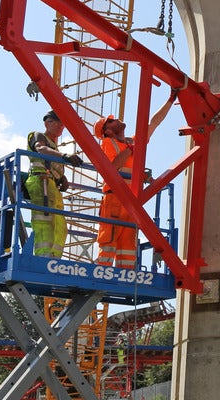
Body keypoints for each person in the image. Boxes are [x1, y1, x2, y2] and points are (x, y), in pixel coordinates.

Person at [94, 91, 177, 269]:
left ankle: (125, 279)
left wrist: (171, 98)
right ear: (107, 131)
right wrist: (131, 149)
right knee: (108, 242)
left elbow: (153, 123)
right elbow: (113, 167)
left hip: (131, 200)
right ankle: (101, 273)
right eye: (111, 120)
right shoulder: (107, 143)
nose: (116, 119)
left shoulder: (130, 142)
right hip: (115, 198)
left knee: (128, 247)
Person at [25, 109, 82, 259]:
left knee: (60, 226)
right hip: (40, 181)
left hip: (51, 186)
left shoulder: (54, 147)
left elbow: (52, 162)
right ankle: (43, 258)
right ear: (47, 122)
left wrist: (61, 177)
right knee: (45, 222)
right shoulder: (38, 136)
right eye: (56, 122)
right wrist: (65, 156)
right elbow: (41, 150)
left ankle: (54, 258)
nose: (60, 126)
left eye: (62, 124)